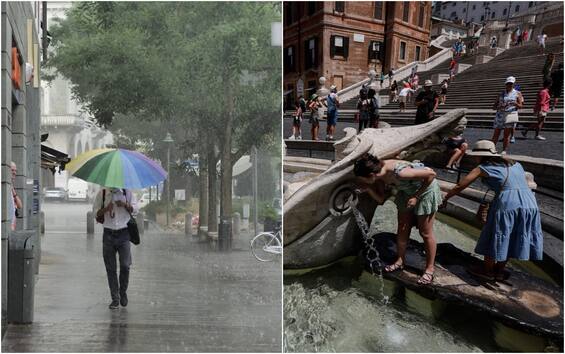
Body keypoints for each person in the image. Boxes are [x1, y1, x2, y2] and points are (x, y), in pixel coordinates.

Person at [440, 140, 543, 281]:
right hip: (530, 202)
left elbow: (460, 186)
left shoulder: (483, 167)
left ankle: (487, 271)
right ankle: (499, 271)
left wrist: (445, 198)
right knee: (512, 236)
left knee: (497, 234)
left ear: (479, 156)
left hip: (508, 203)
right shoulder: (516, 164)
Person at [354, 155, 442, 285]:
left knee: (425, 232)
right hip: (406, 192)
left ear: (372, 175)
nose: (362, 182)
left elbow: (431, 174)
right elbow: (381, 200)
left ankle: (429, 268)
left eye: (363, 180)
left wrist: (416, 197)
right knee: (402, 228)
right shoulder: (379, 173)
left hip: (425, 192)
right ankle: (400, 261)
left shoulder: (401, 173)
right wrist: (368, 189)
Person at [94, 187, 138, 309]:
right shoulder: (103, 193)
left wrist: (125, 205)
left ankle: (123, 292)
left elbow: (136, 210)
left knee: (125, 265)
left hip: (124, 233)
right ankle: (115, 298)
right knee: (110, 268)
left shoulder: (127, 192)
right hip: (108, 234)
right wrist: (105, 209)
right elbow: (95, 212)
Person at [491, 76, 523, 154]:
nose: (509, 85)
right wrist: (500, 106)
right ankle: (492, 149)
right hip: (500, 115)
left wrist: (515, 103)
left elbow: (521, 106)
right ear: (505, 84)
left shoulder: (518, 93)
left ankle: (504, 150)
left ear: (513, 84)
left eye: (511, 84)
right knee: (496, 134)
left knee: (506, 135)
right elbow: (494, 107)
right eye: (508, 83)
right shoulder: (501, 93)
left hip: (510, 115)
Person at [9, 162, 22, 231]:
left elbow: (20, 205)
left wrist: (13, 192)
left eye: (15, 170)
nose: (15, 173)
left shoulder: (11, 187)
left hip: (11, 227)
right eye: (12, 170)